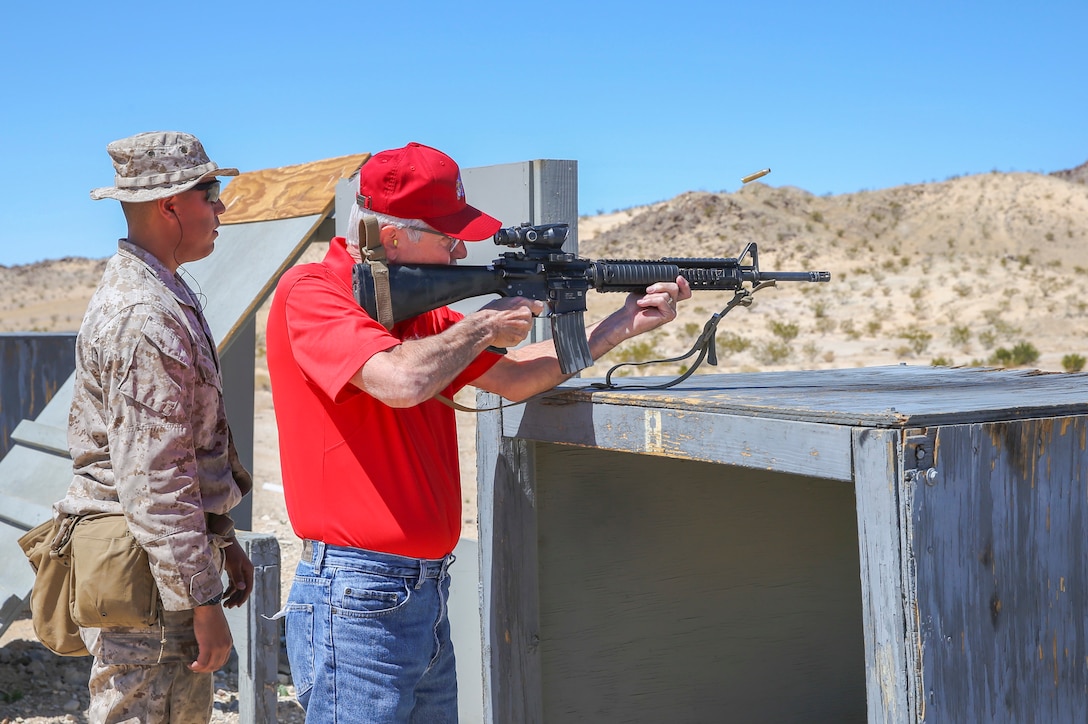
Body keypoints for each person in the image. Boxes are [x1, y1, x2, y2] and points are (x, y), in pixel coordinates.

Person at [266, 141, 690, 722]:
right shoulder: (313, 293)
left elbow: (515, 378)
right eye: (447, 235)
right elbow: (399, 380)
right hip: (357, 591)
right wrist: (484, 325)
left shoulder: (418, 312)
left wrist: (617, 326)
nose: (462, 246)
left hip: (422, 589)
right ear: (394, 237)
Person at [55, 131, 255, 723]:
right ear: (170, 205)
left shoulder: (161, 294)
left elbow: (183, 453)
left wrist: (223, 539)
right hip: (147, 574)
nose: (221, 209)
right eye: (210, 193)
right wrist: (201, 599)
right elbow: (155, 480)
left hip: (159, 563)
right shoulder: (144, 315)